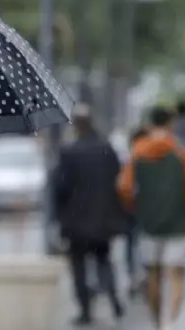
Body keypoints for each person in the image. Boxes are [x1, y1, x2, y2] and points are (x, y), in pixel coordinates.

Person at [117, 106, 185, 330]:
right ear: (171, 124)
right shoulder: (181, 152)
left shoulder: (138, 151)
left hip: (148, 222)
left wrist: (136, 206)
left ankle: (157, 321)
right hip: (178, 222)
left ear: (151, 123)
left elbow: (124, 187)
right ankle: (171, 321)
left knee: (152, 272)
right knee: (176, 274)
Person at [54, 103, 127, 326]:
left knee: (79, 268)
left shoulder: (69, 152)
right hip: (103, 220)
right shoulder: (107, 149)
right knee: (104, 261)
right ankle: (115, 301)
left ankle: (85, 310)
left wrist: (60, 217)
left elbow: (61, 188)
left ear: (76, 125)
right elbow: (119, 182)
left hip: (76, 223)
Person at [125, 126, 149, 298]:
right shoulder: (153, 156)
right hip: (150, 209)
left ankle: (135, 277)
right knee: (144, 243)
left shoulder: (132, 157)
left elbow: (123, 186)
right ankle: (145, 275)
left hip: (132, 208)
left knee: (132, 243)